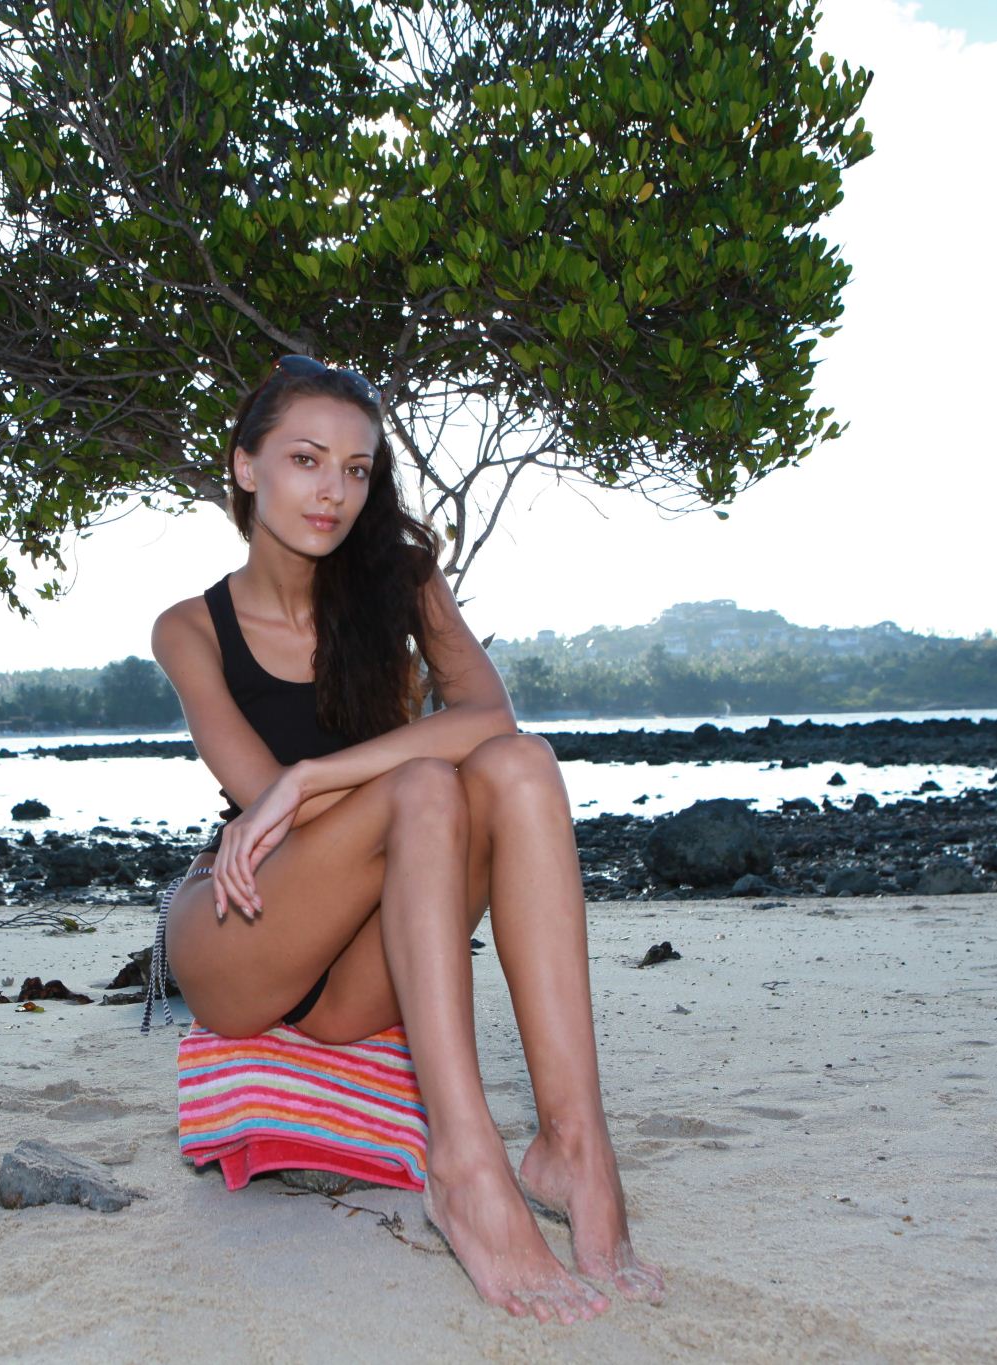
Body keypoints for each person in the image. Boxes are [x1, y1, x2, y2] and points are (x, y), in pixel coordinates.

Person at [150, 355, 666, 1323]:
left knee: (523, 766)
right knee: (428, 784)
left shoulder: (401, 582)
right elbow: (272, 812)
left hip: (369, 951)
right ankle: (465, 1163)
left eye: (356, 469)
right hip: (247, 928)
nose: (333, 491)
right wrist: (317, 784)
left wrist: (314, 771)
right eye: (306, 459)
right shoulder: (190, 629)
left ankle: (575, 1146)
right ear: (246, 467)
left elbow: (493, 719)